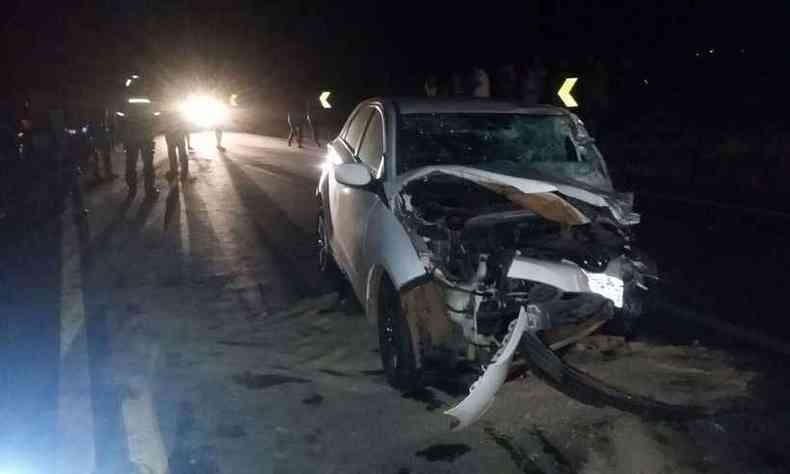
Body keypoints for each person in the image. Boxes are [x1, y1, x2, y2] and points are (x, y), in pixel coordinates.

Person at [120, 79, 158, 198]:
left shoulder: (126, 101)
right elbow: (155, 117)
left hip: (131, 137)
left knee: (131, 164)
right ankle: (150, 190)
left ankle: (132, 189)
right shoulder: (149, 99)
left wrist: (123, 135)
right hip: (146, 136)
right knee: (148, 164)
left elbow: (121, 119)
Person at [164, 110, 190, 183]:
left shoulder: (169, 110)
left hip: (172, 132)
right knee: (180, 152)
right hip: (177, 132)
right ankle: (183, 171)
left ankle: (175, 170)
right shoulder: (178, 110)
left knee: (173, 152)